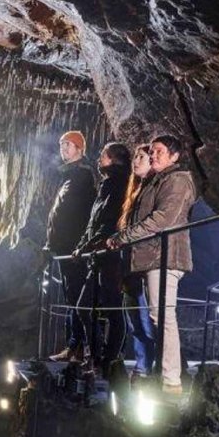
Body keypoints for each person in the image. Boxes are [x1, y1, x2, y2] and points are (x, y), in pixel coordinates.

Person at [105, 135, 197, 393]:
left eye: (159, 151)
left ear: (174, 156)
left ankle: (171, 380)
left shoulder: (178, 180)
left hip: (165, 257)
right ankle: (163, 374)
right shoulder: (154, 182)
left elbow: (163, 219)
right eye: (152, 151)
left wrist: (123, 237)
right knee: (156, 317)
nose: (153, 155)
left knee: (162, 316)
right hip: (151, 257)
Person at [73, 142, 133, 373]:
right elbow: (94, 222)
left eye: (103, 156)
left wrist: (88, 245)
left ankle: (108, 358)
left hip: (109, 254)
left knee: (112, 307)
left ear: (114, 160)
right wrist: (83, 245)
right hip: (97, 253)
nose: (99, 159)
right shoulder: (107, 184)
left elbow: (108, 220)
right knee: (85, 306)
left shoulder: (117, 184)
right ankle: (99, 355)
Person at [43, 130, 97, 362]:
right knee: (71, 296)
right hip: (66, 246)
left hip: (74, 247)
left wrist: (70, 243)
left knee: (76, 295)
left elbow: (73, 214)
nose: (64, 149)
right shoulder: (70, 175)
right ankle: (74, 345)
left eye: (69, 145)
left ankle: (82, 347)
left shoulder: (82, 176)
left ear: (79, 149)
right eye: (62, 145)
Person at [119, 144, 157, 375]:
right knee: (136, 320)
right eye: (135, 156)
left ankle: (155, 367)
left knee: (149, 320)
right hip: (130, 264)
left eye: (141, 157)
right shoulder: (135, 190)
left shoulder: (153, 189)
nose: (136, 160)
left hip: (145, 262)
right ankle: (142, 366)